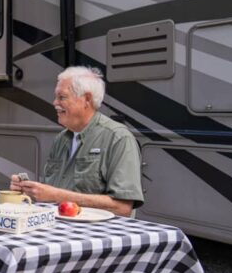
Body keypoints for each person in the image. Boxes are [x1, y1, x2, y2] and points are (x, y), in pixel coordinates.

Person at [10, 66, 144, 217]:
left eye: (62, 97)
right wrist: (29, 190)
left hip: (99, 237)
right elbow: (51, 195)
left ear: (86, 99)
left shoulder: (118, 138)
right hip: (61, 231)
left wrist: (57, 195)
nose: (55, 103)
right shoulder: (61, 139)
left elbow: (122, 207)